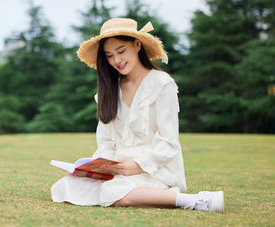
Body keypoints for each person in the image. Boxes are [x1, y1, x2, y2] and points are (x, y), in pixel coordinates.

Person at [51, 18, 224, 212]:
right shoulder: (108, 91)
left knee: (111, 192)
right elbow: (106, 141)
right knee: (65, 186)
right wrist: (102, 167)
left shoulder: (162, 84)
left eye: (121, 51)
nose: (116, 60)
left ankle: (190, 200)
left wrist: (138, 165)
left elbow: (169, 142)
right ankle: (152, 197)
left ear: (137, 45)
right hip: (119, 170)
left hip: (155, 168)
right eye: (109, 55)